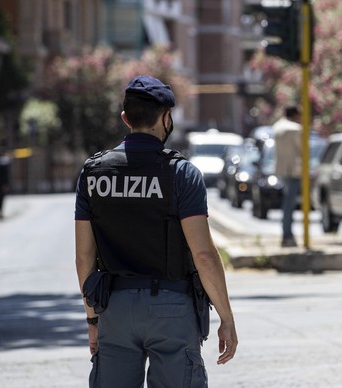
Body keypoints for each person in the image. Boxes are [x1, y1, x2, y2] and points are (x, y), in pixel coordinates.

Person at [75, 75, 238, 388]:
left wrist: (93, 319)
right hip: (172, 309)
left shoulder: (93, 173)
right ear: (166, 118)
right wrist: (226, 317)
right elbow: (203, 254)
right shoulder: (182, 174)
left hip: (115, 309)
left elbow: (84, 259)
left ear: (126, 119)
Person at [273, 106, 302, 247]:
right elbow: (302, 150)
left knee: (287, 204)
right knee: (289, 205)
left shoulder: (277, 127)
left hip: (282, 170)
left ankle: (287, 234)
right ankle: (287, 235)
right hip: (293, 171)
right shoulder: (295, 129)